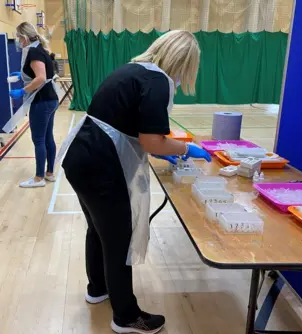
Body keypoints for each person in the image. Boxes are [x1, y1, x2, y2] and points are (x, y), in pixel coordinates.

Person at [57, 31, 211, 334]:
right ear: (183, 62)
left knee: (98, 229)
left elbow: (130, 126)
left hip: (80, 157)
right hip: (101, 164)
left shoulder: (132, 70)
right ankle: (126, 316)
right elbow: (153, 142)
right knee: (117, 238)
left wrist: (163, 148)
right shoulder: (158, 81)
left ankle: (98, 288)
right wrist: (183, 149)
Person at [9, 22, 59, 188]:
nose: (17, 40)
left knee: (38, 139)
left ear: (23, 37)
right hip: (50, 99)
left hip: (42, 100)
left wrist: (22, 91)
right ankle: (49, 173)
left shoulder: (34, 52)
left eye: (18, 37)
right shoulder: (41, 50)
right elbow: (39, 74)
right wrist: (23, 75)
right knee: (47, 137)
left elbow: (40, 78)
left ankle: (38, 178)